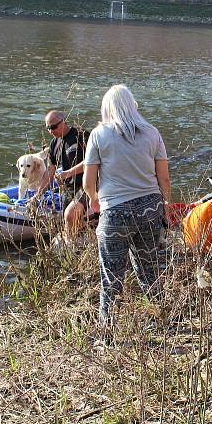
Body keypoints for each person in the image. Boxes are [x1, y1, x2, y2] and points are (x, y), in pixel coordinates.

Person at [82, 85, 171, 328]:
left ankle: (107, 329)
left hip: (115, 212)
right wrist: (165, 204)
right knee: (149, 269)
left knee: (110, 275)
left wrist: (95, 201)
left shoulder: (99, 135)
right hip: (150, 208)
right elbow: (163, 178)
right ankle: (160, 323)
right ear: (133, 106)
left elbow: (88, 182)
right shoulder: (152, 133)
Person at [41, 110, 93, 237]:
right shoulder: (54, 143)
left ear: (64, 122)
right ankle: (80, 243)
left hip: (86, 184)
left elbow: (92, 161)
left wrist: (68, 173)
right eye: (48, 128)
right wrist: (38, 193)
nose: (51, 131)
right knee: (69, 223)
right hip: (69, 188)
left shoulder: (81, 135)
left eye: (53, 127)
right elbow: (50, 170)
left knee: (70, 215)